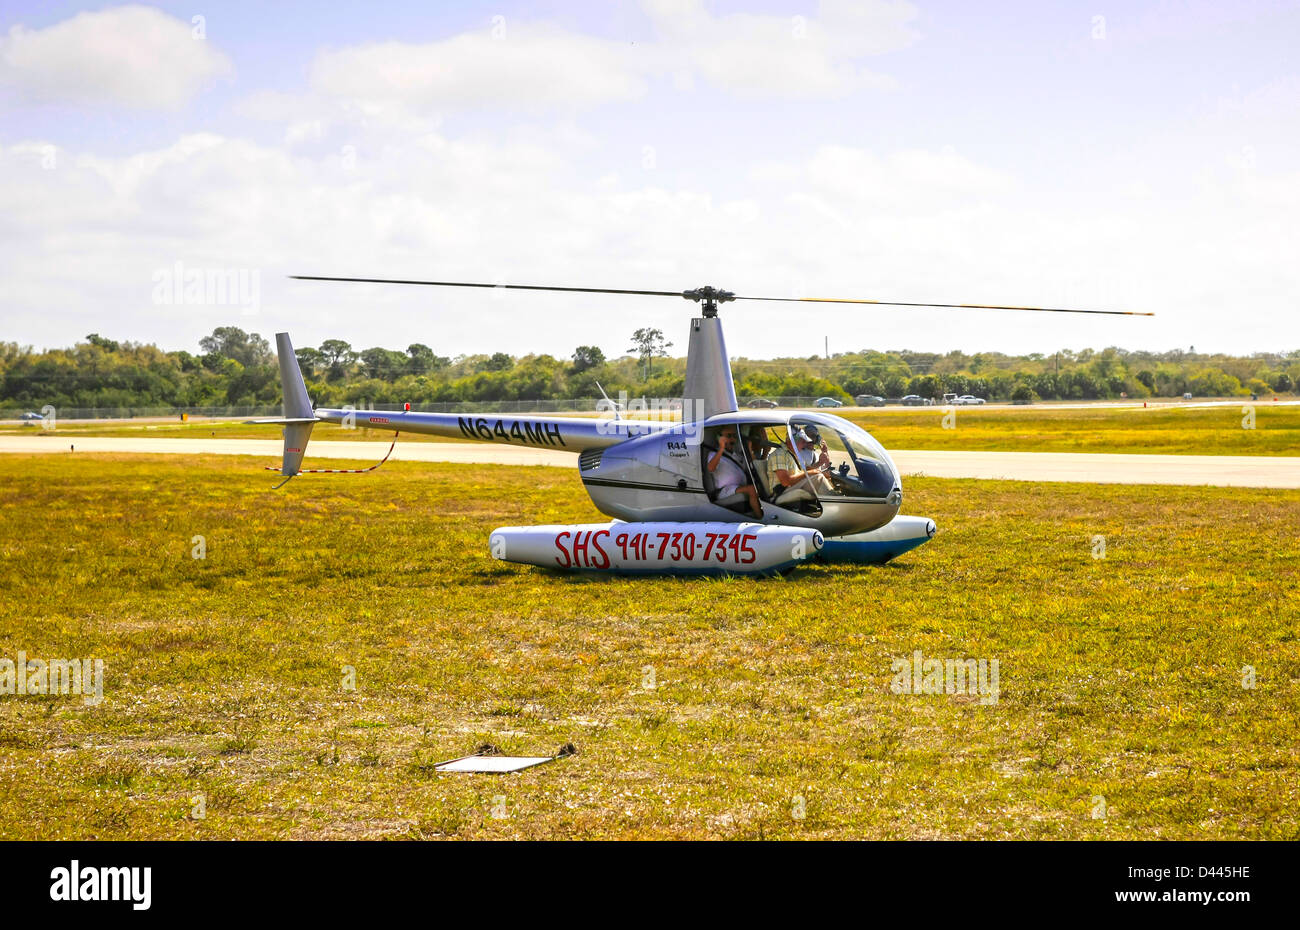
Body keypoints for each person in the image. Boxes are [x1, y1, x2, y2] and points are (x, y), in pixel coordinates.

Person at [708, 427, 762, 517]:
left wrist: (749, 450)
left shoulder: (736, 455)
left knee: (760, 487)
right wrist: (721, 449)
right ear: (720, 438)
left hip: (738, 487)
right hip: (725, 490)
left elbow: (753, 466)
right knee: (752, 489)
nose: (732, 439)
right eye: (729, 436)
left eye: (734, 436)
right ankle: (760, 517)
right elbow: (710, 468)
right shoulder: (713, 454)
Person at [765, 427, 832, 499]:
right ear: (792, 441)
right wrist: (809, 473)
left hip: (792, 487)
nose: (804, 445)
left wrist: (819, 472)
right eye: (803, 442)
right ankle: (835, 502)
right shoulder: (779, 454)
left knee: (821, 476)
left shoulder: (793, 453)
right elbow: (785, 481)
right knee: (818, 479)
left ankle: (832, 497)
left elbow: (803, 470)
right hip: (781, 492)